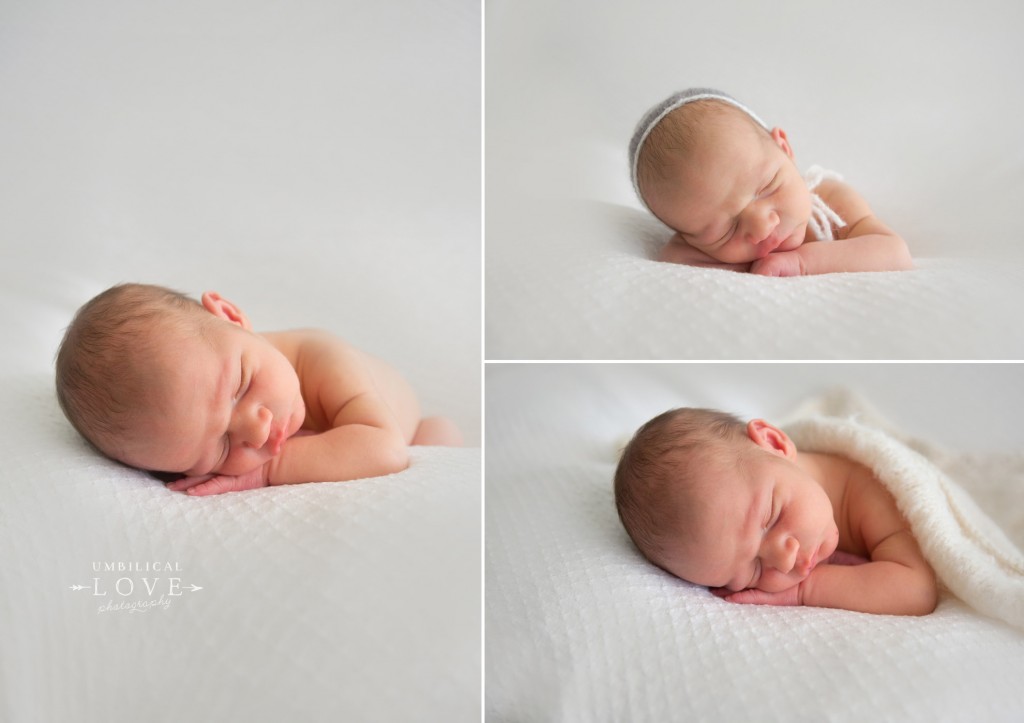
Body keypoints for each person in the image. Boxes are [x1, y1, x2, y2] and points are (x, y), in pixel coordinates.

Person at [55, 283, 461, 496]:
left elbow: (385, 449)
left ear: (231, 316)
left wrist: (267, 470)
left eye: (241, 387)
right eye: (221, 449)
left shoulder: (321, 356)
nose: (256, 431)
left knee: (441, 439)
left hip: (411, 429)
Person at [614, 407, 937, 615]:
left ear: (776, 443)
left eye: (771, 519)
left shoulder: (871, 489)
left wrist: (805, 590)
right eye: (751, 572)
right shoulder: (766, 484)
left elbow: (916, 591)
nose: (783, 561)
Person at [629, 88, 913, 276]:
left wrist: (801, 263)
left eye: (767, 188)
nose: (762, 227)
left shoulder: (830, 202)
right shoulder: (696, 247)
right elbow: (674, 261)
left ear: (784, 149)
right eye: (724, 230)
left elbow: (894, 253)